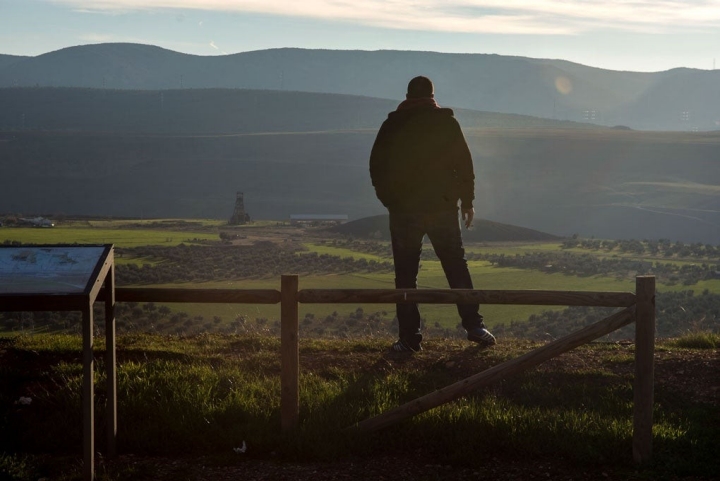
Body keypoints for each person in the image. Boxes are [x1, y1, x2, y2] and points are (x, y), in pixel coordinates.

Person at [369, 75, 496, 352]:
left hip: (404, 212)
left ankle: (409, 339)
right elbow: (464, 164)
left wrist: (389, 200)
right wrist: (467, 202)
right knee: (455, 265)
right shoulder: (446, 123)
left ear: (407, 96)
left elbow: (376, 166)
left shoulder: (392, 124)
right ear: (432, 95)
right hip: (442, 208)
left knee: (405, 276)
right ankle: (474, 326)